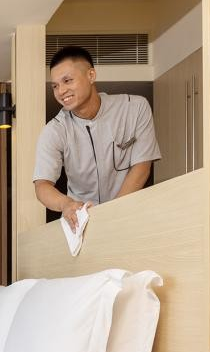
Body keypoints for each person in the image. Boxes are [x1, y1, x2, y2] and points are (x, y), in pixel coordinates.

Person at [33, 45, 162, 231]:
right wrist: (66, 204)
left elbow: (142, 167)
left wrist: (112, 217)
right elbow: (42, 185)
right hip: (81, 224)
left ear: (91, 75)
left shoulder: (135, 108)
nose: (61, 91)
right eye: (55, 86)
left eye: (67, 80)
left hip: (127, 217)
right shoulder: (54, 130)